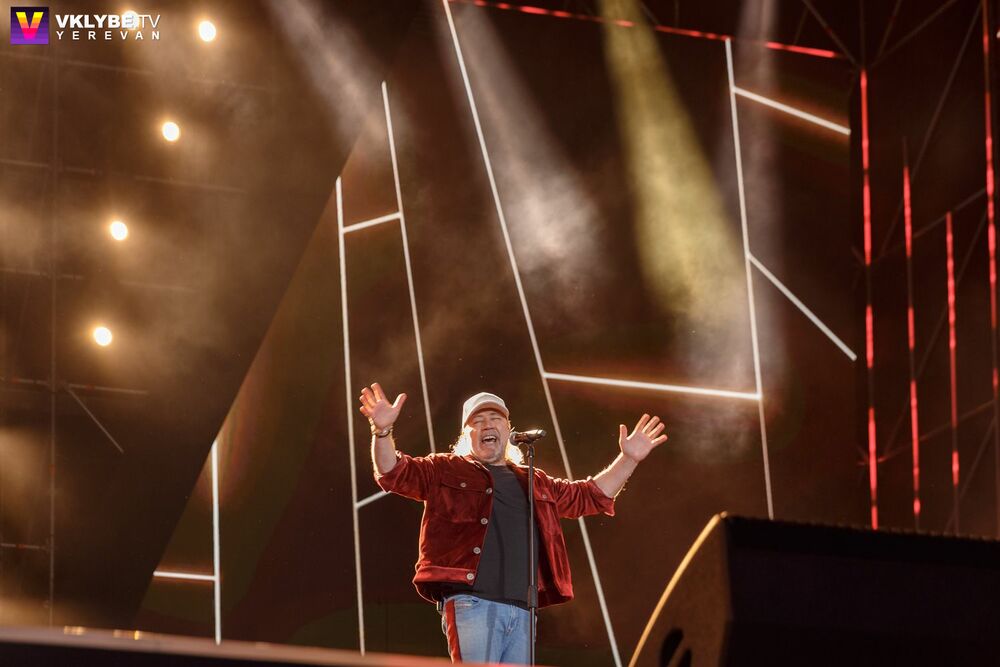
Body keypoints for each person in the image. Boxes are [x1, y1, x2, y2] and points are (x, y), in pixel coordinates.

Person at [359, 382, 668, 664]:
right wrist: (382, 431)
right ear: (466, 435)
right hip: (472, 603)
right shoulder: (444, 469)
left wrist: (629, 459)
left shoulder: (534, 481)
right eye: (477, 421)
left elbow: (588, 496)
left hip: (523, 610)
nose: (487, 425)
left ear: (508, 430)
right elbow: (393, 472)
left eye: (495, 418)